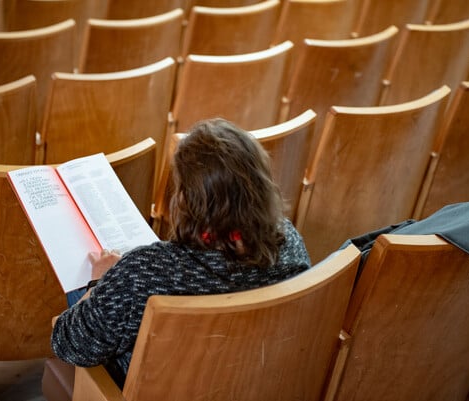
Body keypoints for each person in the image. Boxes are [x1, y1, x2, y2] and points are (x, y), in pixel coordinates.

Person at [51, 118, 311, 386]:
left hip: (156, 389)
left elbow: (68, 344)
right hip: (248, 381)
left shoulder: (144, 273)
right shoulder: (289, 242)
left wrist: (100, 282)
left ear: (186, 200)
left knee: (81, 284)